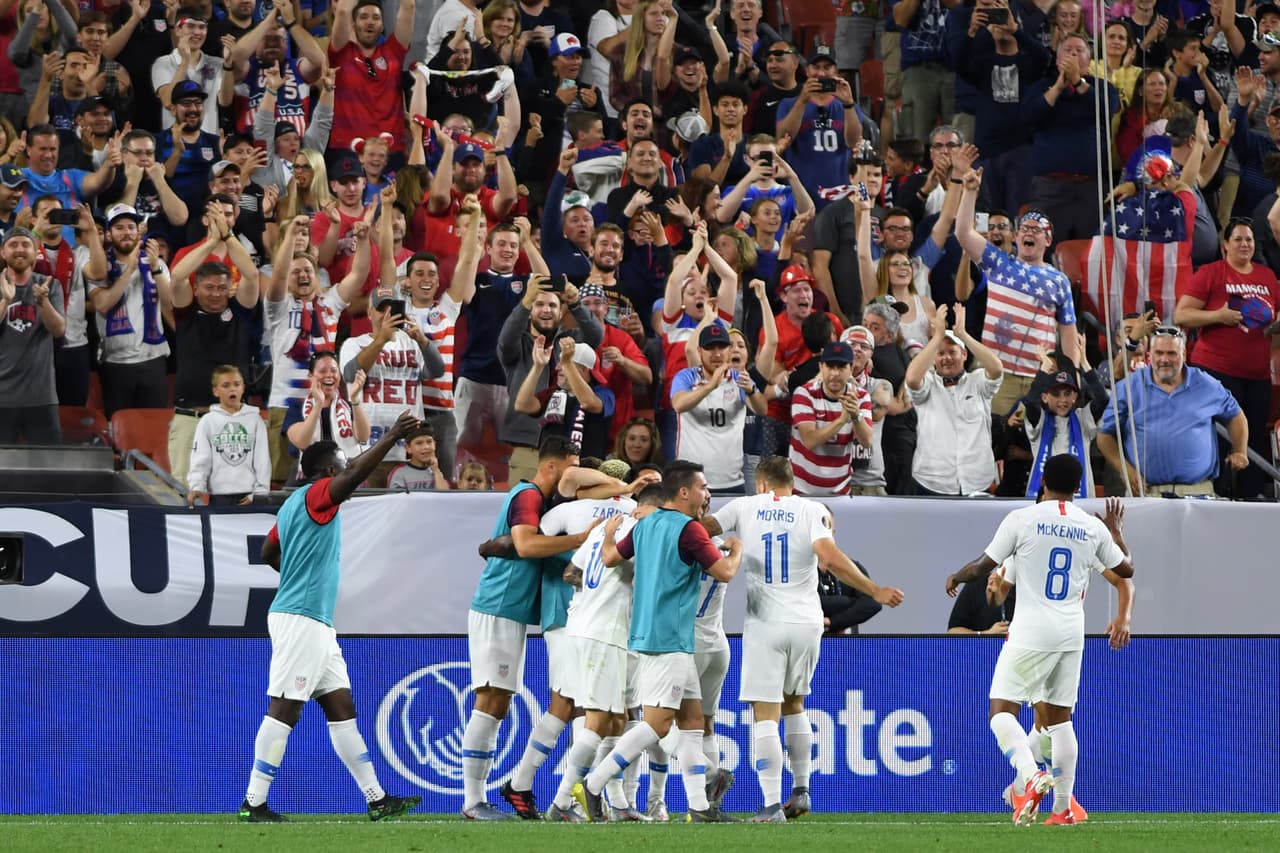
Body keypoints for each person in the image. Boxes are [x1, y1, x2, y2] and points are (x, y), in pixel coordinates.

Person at [243, 410, 424, 823]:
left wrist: (295, 573)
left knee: (341, 707)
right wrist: (393, 435)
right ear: (328, 472)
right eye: (342, 466)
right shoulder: (318, 493)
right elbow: (355, 476)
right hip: (301, 618)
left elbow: (267, 553)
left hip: (315, 621)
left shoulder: (291, 504)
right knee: (284, 708)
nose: (347, 472)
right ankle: (253, 802)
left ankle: (376, 799)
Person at [701, 456, 904, 821]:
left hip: (767, 622)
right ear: (792, 483)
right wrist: (873, 589)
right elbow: (830, 557)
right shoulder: (811, 510)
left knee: (765, 714)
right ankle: (801, 790)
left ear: (760, 484)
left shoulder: (744, 506)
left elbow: (697, 529)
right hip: (808, 622)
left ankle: (769, 806)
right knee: (795, 705)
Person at [944, 456, 1135, 827]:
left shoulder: (1022, 519)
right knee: (1060, 720)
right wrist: (1116, 535)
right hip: (1070, 633)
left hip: (1031, 629)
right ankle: (1062, 808)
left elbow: (983, 566)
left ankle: (1030, 776)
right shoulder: (1088, 527)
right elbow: (1126, 569)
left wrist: (957, 575)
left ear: (1042, 481)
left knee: (1001, 711)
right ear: (1079, 487)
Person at [584, 460, 742, 823]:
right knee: (656, 724)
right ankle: (595, 783)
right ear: (684, 491)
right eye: (703, 487)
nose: (707, 494)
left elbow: (610, 557)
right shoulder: (689, 530)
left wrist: (608, 535)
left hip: (659, 634)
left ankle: (700, 809)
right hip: (668, 636)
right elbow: (725, 573)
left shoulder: (645, 524)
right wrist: (737, 548)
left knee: (691, 723)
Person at [458, 435, 593, 820]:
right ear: (552, 465)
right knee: (490, 700)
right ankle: (472, 801)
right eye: (572, 465)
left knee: (498, 703)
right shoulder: (528, 495)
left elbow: (512, 543)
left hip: (511, 610)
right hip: (498, 604)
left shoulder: (540, 501)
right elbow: (526, 544)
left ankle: (480, 799)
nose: (575, 475)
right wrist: (581, 539)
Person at [547, 481, 663, 822]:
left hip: (585, 627)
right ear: (647, 509)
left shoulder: (605, 531)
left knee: (617, 719)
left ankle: (619, 805)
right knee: (598, 720)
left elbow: (572, 572)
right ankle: (562, 803)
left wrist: (597, 594)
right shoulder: (640, 532)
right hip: (605, 634)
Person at [954, 165, 1079, 418]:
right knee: (991, 441)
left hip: (1039, 377)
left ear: (1048, 240)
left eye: (1037, 230)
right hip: (997, 374)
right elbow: (963, 233)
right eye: (1024, 229)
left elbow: (1068, 334)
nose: (1029, 233)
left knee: (1031, 446)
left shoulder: (1060, 280)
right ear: (1017, 236)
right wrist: (969, 192)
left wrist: (1072, 377)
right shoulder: (999, 263)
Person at [1175, 218, 1280, 498]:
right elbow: (1181, 314)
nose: (1245, 244)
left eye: (1249, 239)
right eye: (1238, 239)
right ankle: (1215, 491)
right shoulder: (1212, 273)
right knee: (1218, 436)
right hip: (1216, 370)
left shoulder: (1267, 276)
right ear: (1225, 245)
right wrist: (1217, 316)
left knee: (1254, 436)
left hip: (1257, 373)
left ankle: (1251, 495)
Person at [1096, 326, 1249, 497]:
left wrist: (1240, 451)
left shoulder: (1206, 385)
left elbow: (1236, 416)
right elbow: (1104, 436)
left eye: (1171, 353)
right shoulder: (1128, 387)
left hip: (1198, 492)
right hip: (1146, 492)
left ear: (1184, 353)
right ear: (1150, 354)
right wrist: (1125, 469)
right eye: (1159, 353)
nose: (1164, 359)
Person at [340, 288, 445, 487]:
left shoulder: (412, 343)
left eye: (393, 309)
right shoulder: (354, 344)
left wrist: (422, 340)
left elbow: (437, 370)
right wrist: (381, 339)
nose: (388, 314)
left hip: (411, 451)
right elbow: (350, 374)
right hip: (369, 451)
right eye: (381, 309)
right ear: (369, 313)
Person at [905, 304, 1004, 495]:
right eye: (940, 353)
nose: (946, 358)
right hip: (932, 482)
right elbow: (911, 379)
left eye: (952, 352)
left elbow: (997, 368)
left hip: (977, 480)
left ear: (964, 355)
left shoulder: (978, 382)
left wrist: (964, 335)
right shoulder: (928, 384)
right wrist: (937, 338)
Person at [86, 204, 172, 417]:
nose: (126, 232)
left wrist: (156, 268)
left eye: (131, 227)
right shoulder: (99, 267)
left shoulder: (156, 262)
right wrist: (130, 270)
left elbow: (170, 304)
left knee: (155, 428)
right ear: (109, 234)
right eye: (119, 228)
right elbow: (103, 304)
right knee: (119, 430)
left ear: (138, 231)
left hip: (153, 359)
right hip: (117, 363)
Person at [671, 324, 768, 494]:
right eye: (710, 348)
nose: (716, 354)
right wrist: (710, 386)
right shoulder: (686, 377)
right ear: (700, 351)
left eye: (722, 347)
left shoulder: (739, 379)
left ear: (729, 351)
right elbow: (678, 404)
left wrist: (752, 391)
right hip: (689, 481)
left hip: (732, 481)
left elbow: (762, 409)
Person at [0, 226, 65, 444]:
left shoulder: (49, 285)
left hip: (41, 397)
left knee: (50, 467)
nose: (20, 249)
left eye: (25, 244)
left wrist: (43, 302)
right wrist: (5, 301)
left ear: (35, 251)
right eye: (13, 244)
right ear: (3, 252)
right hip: (2, 398)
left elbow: (58, 331)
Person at [788, 340, 874, 496]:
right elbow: (810, 441)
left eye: (841, 367)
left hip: (840, 492)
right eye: (830, 366)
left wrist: (855, 415)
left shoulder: (861, 397)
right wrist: (842, 420)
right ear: (821, 367)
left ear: (850, 369)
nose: (835, 373)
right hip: (801, 491)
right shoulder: (804, 394)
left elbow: (867, 441)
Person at [186, 365, 270, 507]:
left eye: (237, 384)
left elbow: (262, 459)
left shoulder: (255, 420)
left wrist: (260, 492)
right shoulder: (208, 421)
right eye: (226, 385)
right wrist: (197, 486)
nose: (232, 389)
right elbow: (201, 457)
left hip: (248, 495)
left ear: (243, 388)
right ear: (216, 391)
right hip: (219, 495)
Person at [386, 424, 449, 489]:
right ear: (408, 448)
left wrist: (436, 470)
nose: (426, 447)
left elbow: (445, 496)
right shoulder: (399, 473)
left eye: (429, 442)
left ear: (435, 445)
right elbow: (395, 498)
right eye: (419, 443)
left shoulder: (436, 471)